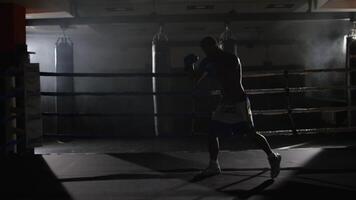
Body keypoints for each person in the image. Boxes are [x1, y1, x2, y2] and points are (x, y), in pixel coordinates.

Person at [184, 36, 281, 179]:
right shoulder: (208, 60)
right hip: (225, 102)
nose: (206, 53)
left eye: (207, 49)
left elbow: (229, 78)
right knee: (211, 131)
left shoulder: (231, 58)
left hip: (238, 101)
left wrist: (213, 68)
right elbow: (194, 78)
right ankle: (213, 165)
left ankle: (273, 157)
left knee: (251, 133)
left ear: (214, 46)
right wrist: (189, 65)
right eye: (204, 50)